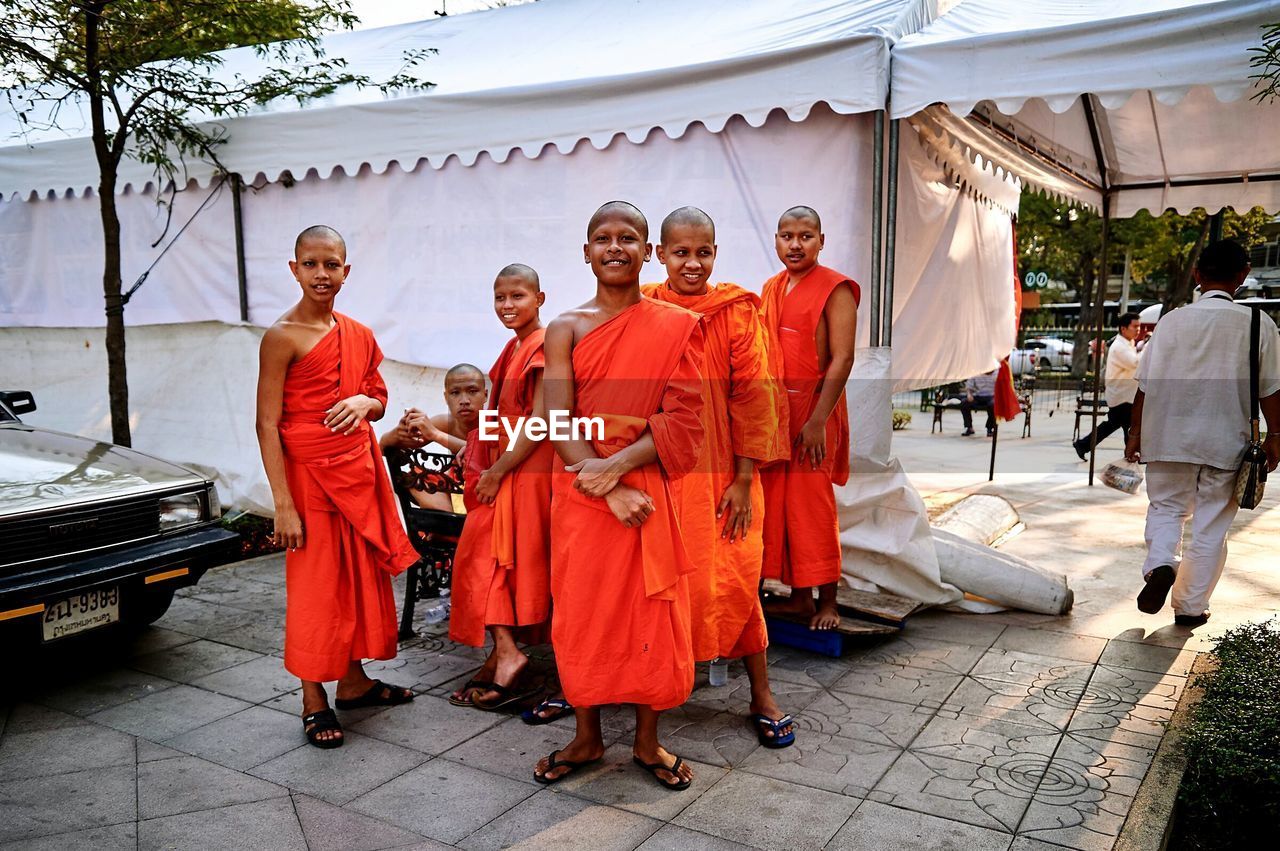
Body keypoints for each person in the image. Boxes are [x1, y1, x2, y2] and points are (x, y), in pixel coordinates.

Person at [533, 201, 705, 790]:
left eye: (628, 237)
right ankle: (586, 737)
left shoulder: (678, 326)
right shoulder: (565, 327)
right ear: (586, 252)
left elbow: (684, 420)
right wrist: (604, 489)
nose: (615, 247)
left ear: (646, 250)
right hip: (584, 492)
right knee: (583, 617)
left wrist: (620, 468)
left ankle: (647, 742)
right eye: (602, 238)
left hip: (643, 487)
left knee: (649, 616)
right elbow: (554, 422)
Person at [255, 225, 420, 749]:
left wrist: (367, 405)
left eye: (331, 265)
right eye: (311, 264)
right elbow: (267, 424)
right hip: (308, 482)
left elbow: (377, 393)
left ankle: (353, 682)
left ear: (346, 271)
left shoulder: (359, 334)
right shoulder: (281, 336)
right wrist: (282, 505)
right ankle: (312, 697)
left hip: (356, 476)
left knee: (355, 579)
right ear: (294, 268)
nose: (321, 274)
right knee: (317, 588)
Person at [642, 206, 795, 748]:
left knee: (733, 578)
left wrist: (743, 479)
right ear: (659, 255)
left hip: (725, 473)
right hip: (660, 469)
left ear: (715, 253)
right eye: (680, 252)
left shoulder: (734, 311)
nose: (692, 263)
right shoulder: (644, 306)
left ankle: (761, 694)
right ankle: (650, 692)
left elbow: (753, 396)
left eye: (702, 252)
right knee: (658, 584)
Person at [1125, 240, 1280, 627]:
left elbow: (1145, 383)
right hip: (1225, 441)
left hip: (1166, 438)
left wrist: (1136, 431)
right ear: (1242, 275)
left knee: (1166, 509)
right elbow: (1272, 390)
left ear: (1197, 275)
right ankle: (1190, 607)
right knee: (1211, 523)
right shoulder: (1259, 325)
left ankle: (1160, 564)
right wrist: (1277, 435)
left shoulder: (1172, 320)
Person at [447, 265, 556, 713]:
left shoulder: (546, 346)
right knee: (494, 564)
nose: (508, 306)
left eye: (517, 297)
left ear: (540, 299)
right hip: (507, 468)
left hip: (527, 471)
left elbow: (544, 419)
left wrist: (498, 471)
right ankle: (503, 651)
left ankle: (509, 653)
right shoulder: (513, 347)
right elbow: (500, 414)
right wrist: (470, 447)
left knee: (482, 557)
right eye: (500, 298)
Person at [758, 206, 858, 631]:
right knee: (778, 503)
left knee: (813, 505)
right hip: (777, 414)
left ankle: (826, 601)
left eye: (805, 236)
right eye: (786, 236)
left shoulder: (835, 288)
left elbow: (843, 358)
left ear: (821, 240)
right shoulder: (771, 287)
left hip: (816, 410)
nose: (794, 244)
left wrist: (818, 420)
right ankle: (798, 598)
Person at [380, 363, 485, 512]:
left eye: (472, 391)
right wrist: (397, 433)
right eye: (455, 393)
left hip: (486, 495)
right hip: (453, 498)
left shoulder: (494, 421)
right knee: (414, 476)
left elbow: (481, 453)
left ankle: (449, 528)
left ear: (486, 395)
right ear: (446, 397)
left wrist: (435, 435)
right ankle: (447, 523)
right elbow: (384, 448)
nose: (464, 400)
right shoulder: (444, 422)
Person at [1074, 313, 1141, 460]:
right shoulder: (1119, 347)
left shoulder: (1127, 344)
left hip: (1124, 395)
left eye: (1139, 326)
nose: (1138, 330)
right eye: (1135, 326)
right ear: (1124, 328)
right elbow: (1135, 363)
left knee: (1116, 425)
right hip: (1122, 396)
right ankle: (1131, 453)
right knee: (1127, 426)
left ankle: (1083, 445)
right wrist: (1149, 348)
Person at [959, 368, 998, 437]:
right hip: (978, 396)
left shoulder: (997, 373)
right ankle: (969, 427)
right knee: (964, 403)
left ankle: (990, 428)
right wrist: (969, 395)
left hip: (992, 396)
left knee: (993, 405)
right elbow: (969, 386)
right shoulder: (976, 371)